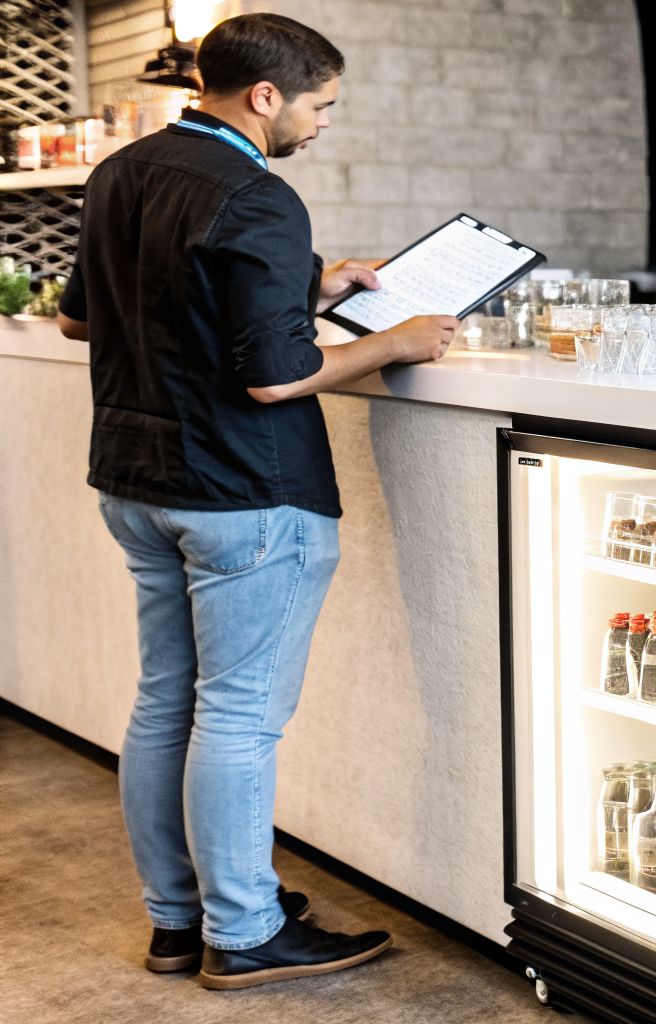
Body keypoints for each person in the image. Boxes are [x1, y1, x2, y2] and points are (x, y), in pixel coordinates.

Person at [56, 14, 458, 991]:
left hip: (137, 480)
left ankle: (178, 923)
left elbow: (80, 315)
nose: (324, 125)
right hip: (243, 492)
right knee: (235, 716)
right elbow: (275, 378)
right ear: (265, 96)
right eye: (320, 105)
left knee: (166, 702)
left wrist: (307, 291)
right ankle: (245, 930)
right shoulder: (257, 195)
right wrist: (393, 341)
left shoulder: (122, 171)